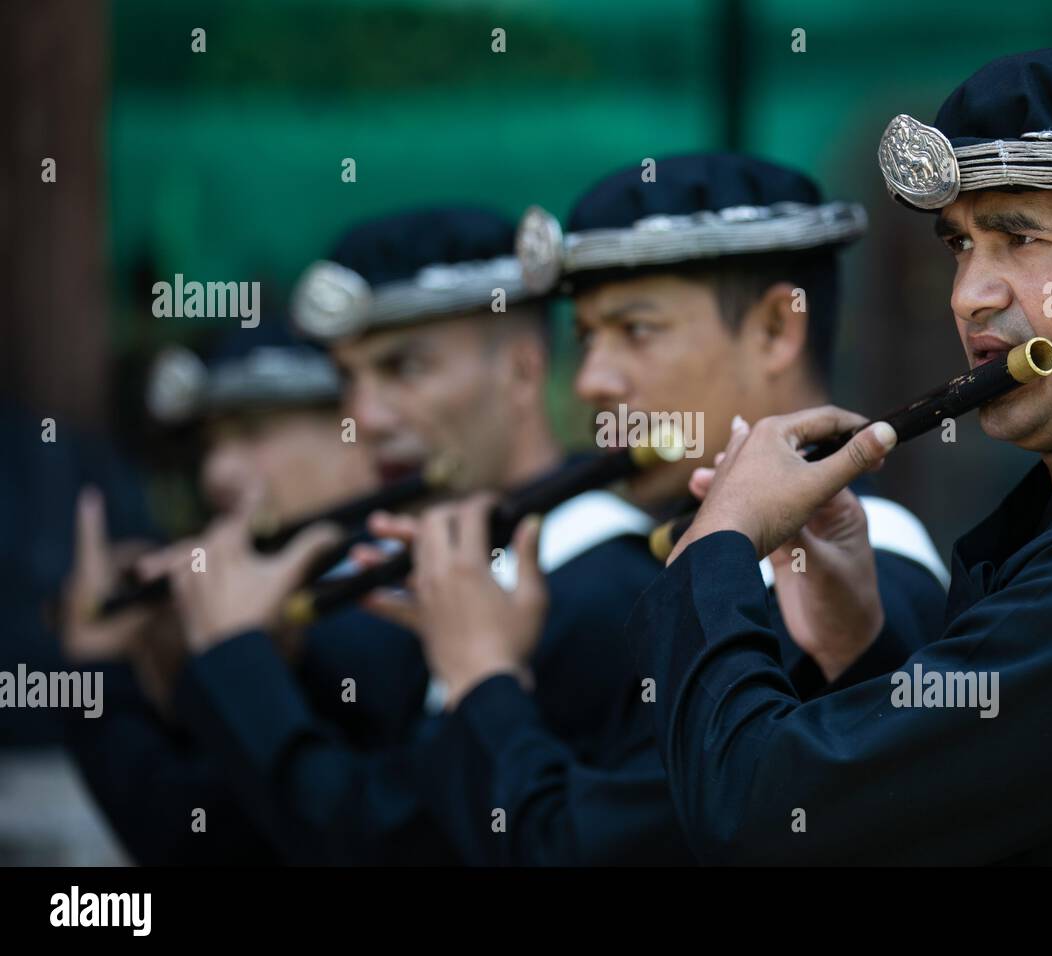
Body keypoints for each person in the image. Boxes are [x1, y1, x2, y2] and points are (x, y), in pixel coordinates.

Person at [624, 46, 1052, 864]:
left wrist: (719, 540)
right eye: (960, 245)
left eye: (1017, 237)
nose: (968, 295)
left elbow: (758, 820)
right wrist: (856, 648)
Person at [381, 155, 949, 864]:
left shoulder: (857, 579)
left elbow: (579, 853)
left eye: (636, 330)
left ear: (777, 328)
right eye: (586, 337)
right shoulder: (682, 553)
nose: (590, 381)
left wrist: (477, 676)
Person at [160, 207, 664, 863]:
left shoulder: (606, 591)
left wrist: (236, 661)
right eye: (348, 379)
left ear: (521, 371)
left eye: (405, 368)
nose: (364, 418)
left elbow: (388, 845)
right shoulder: (428, 563)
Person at [61, 323, 424, 864]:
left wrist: (99, 673)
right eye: (212, 444)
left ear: (358, 429)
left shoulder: (384, 603)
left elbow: (194, 839)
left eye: (253, 434)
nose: (216, 472)